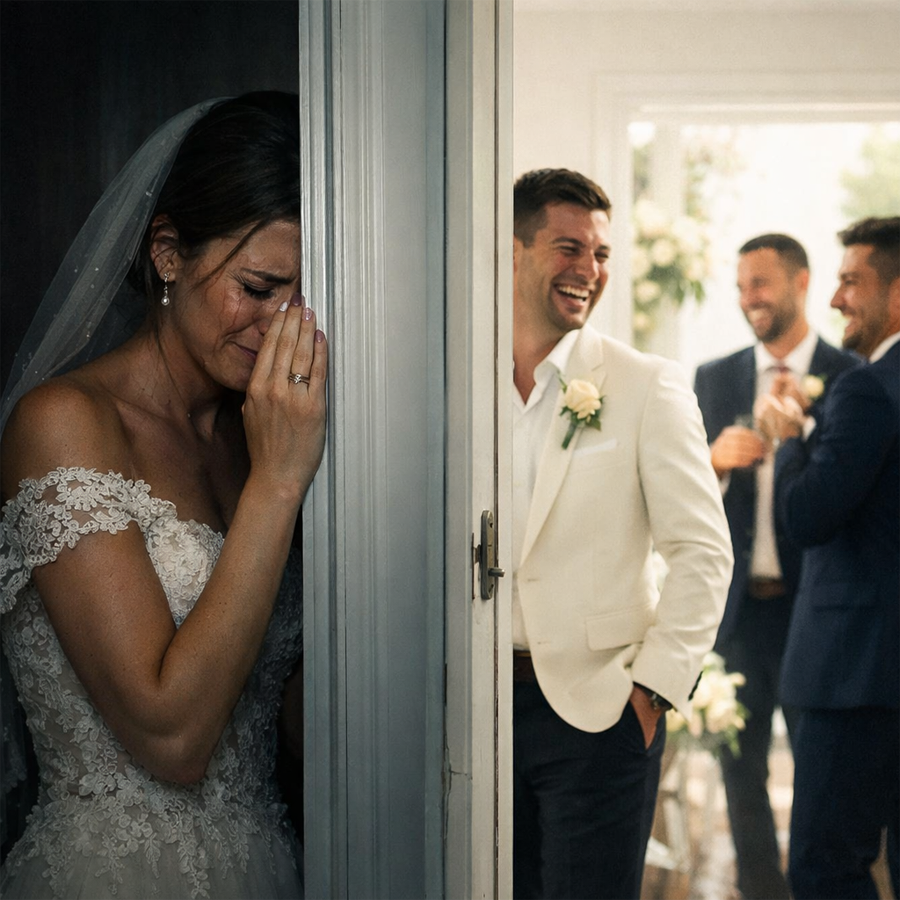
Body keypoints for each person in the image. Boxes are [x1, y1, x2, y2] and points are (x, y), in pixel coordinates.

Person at [0, 92, 326, 900]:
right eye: (258, 287)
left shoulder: (259, 428)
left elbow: (280, 722)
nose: (281, 327)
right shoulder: (65, 424)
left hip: (263, 867)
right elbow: (172, 737)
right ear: (169, 254)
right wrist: (281, 483)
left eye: (306, 299)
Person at [510, 168, 732, 900]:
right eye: (568, 247)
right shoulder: (448, 380)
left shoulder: (646, 385)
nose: (590, 272)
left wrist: (655, 690)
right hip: (471, 710)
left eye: (601, 254)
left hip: (600, 716)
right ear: (512, 250)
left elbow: (703, 553)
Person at [692, 234, 860, 899]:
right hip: (741, 612)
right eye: (739, 287)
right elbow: (681, 497)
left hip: (816, 608)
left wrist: (804, 440)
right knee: (741, 768)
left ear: (800, 283)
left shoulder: (851, 376)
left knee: (824, 767)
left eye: (759, 284)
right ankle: (761, 890)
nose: (747, 299)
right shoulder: (714, 377)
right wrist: (711, 463)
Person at [763, 216, 899, 900]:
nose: (839, 298)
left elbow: (807, 515)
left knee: (824, 870)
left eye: (852, 280)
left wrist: (792, 439)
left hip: (853, 674)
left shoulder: (868, 387)